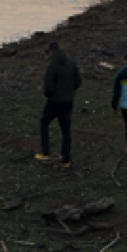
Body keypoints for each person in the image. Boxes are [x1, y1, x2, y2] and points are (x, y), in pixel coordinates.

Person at [36, 41, 82, 169]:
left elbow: (49, 86)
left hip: (54, 101)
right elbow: (78, 82)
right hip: (68, 101)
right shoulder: (71, 64)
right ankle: (65, 159)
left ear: (51, 51)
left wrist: (49, 95)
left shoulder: (52, 66)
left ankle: (46, 153)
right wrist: (69, 91)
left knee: (44, 123)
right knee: (66, 130)